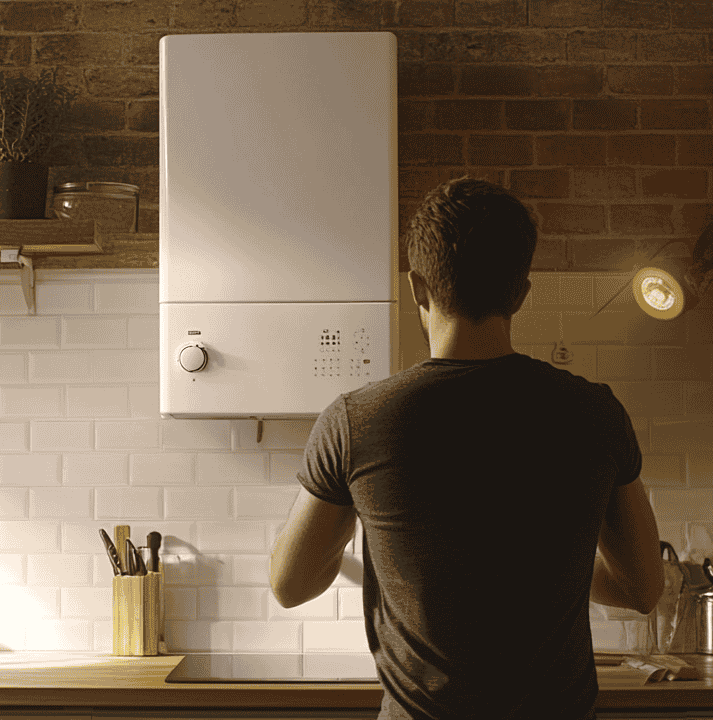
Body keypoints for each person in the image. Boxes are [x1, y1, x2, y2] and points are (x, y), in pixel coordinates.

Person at [270, 178, 664, 720]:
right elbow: (644, 588)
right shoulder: (594, 413)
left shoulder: (358, 421)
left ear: (418, 288)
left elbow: (290, 585)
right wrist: (557, 564)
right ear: (521, 293)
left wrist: (388, 552)